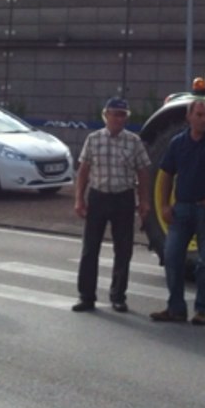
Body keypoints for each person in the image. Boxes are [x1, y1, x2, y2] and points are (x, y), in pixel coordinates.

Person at [151, 99, 205, 326]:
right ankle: (175, 308)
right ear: (189, 117)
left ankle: (203, 310)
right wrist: (164, 205)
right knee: (172, 257)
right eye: (199, 115)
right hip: (181, 209)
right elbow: (166, 174)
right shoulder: (178, 143)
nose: (203, 120)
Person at [71, 97, 153, 313]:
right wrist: (79, 198)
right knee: (90, 249)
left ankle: (118, 296)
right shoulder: (93, 139)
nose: (119, 119)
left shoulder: (133, 141)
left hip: (123, 198)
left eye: (123, 115)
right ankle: (86, 296)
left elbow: (143, 172)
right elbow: (83, 171)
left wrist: (144, 201)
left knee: (123, 250)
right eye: (115, 114)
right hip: (98, 197)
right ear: (106, 115)